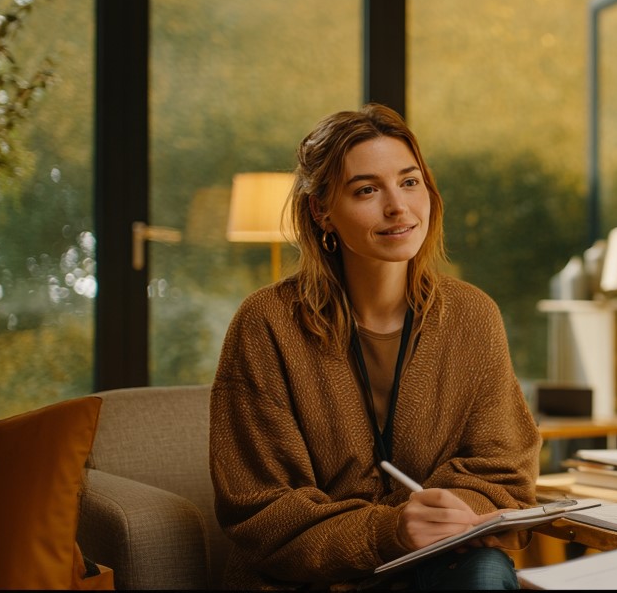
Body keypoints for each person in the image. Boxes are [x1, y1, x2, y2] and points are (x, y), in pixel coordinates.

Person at [210, 103, 540, 590]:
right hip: (307, 582)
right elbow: (262, 515)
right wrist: (391, 529)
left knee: (487, 574)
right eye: (367, 189)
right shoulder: (266, 325)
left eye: (410, 182)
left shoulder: (473, 316)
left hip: (437, 568)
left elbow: (506, 473)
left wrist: (459, 511)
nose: (398, 207)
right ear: (322, 210)